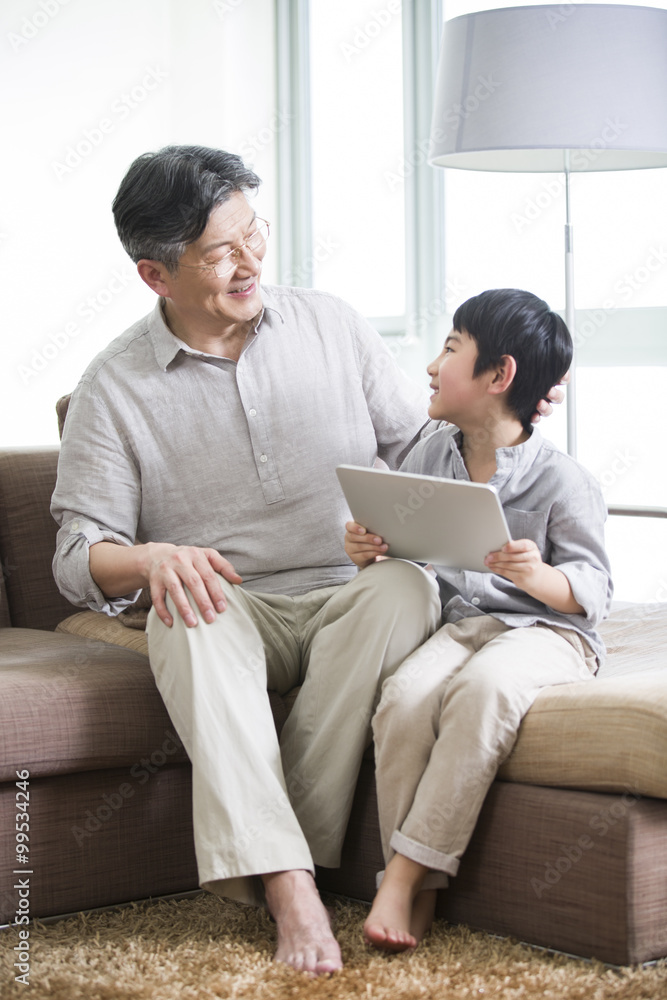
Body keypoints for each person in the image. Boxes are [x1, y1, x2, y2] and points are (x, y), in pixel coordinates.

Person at [51, 147, 563, 974]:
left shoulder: (329, 322)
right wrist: (149, 559)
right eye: (219, 252)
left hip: (349, 589)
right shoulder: (114, 387)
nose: (251, 261)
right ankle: (293, 884)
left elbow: (418, 449)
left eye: (254, 232)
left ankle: (283, 846)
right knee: (185, 612)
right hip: (229, 602)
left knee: (404, 588)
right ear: (155, 275)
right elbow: (77, 555)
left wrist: (504, 415)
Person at [344, 288, 613, 952]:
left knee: (482, 690)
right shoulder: (429, 455)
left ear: (499, 375)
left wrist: (537, 576)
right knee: (403, 699)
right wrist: (367, 549)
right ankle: (425, 896)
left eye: (450, 348)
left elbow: (593, 590)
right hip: (461, 624)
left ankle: (402, 877)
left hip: (550, 634)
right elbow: (408, 547)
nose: (432, 367)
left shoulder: (562, 480)